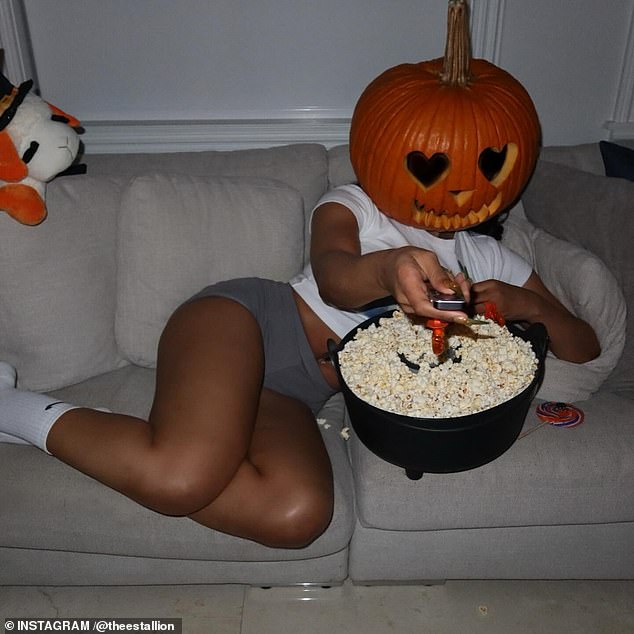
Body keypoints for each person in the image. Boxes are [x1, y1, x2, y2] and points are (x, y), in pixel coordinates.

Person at [0, 180, 600, 548]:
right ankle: (12, 404)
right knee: (180, 478)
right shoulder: (356, 204)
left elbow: (584, 344)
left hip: (296, 394)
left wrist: (517, 301)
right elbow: (337, 284)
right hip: (246, 320)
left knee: (298, 515)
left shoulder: (490, 254)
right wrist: (391, 270)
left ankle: (123, 442)